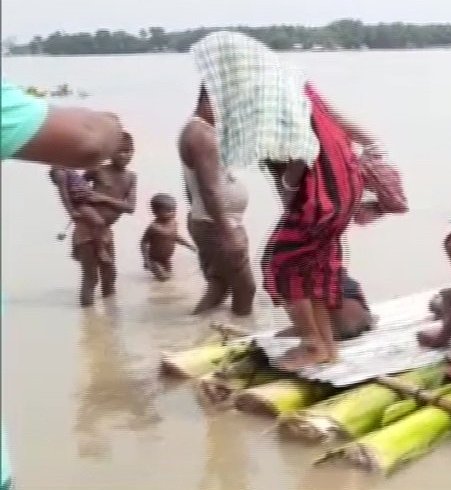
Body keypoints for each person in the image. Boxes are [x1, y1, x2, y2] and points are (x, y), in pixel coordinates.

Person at [192, 31, 378, 370]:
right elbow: (337, 119)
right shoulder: (297, 84)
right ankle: (325, 346)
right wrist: (374, 147)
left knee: (278, 265)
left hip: (321, 194)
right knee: (315, 269)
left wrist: (292, 182)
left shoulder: (272, 95)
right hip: (341, 188)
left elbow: (303, 145)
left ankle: (311, 343)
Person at [2, 76, 126, 490]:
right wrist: (110, 124)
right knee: (92, 278)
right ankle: (93, 314)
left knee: (104, 281)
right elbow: (87, 140)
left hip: (95, 228)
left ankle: (99, 319)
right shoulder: (78, 183)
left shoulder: (92, 183)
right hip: (90, 231)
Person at [179, 86, 256, 316]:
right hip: (217, 225)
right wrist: (228, 234)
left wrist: (197, 215)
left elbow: (190, 185)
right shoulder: (200, 134)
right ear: (209, 100)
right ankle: (242, 336)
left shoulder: (203, 130)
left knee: (219, 285)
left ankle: (198, 330)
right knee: (246, 289)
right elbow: (209, 190)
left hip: (209, 221)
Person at [73, 132, 137, 306]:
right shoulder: (97, 170)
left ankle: (110, 318)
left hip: (106, 230)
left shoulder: (131, 177)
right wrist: (80, 200)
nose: (124, 155)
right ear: (109, 153)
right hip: (86, 228)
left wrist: (102, 198)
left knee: (110, 274)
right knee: (91, 277)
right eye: (119, 151)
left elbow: (131, 207)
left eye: (128, 151)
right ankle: (88, 320)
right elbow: (76, 187)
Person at [140, 194, 195, 281]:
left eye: (174, 210)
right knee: (163, 278)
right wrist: (146, 259)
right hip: (154, 259)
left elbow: (176, 237)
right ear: (155, 212)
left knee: (170, 277)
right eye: (169, 211)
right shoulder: (154, 227)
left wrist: (190, 246)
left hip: (166, 258)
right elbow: (143, 243)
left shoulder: (173, 223)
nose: (173, 213)